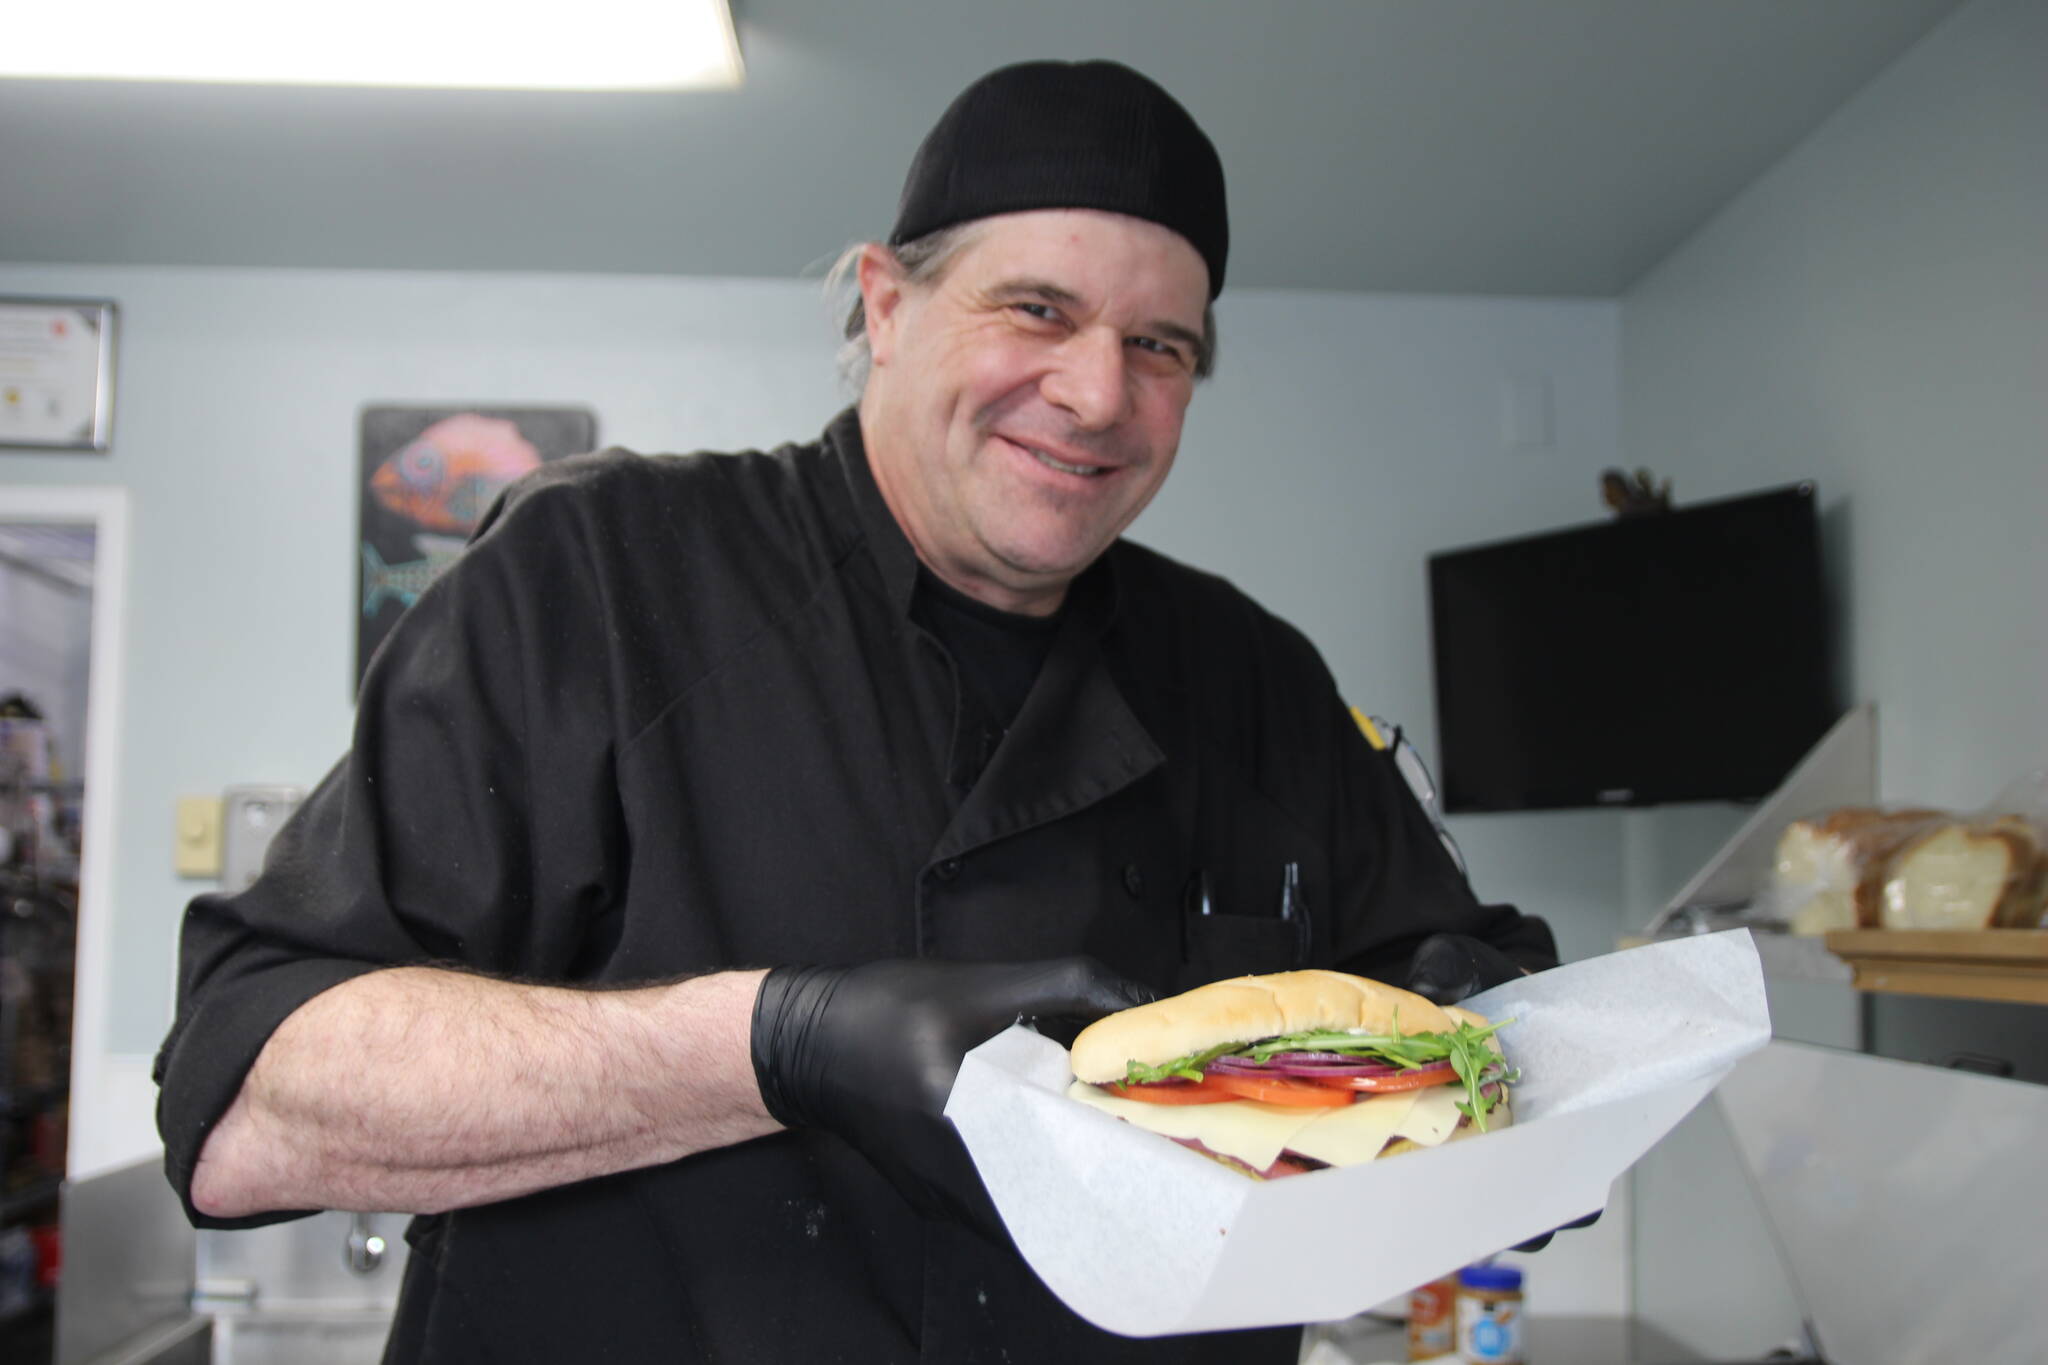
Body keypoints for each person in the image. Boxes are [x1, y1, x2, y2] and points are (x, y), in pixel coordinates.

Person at [155, 59, 1561, 1363]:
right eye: (1039, 310)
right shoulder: (600, 577)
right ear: (885, 306)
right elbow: (248, 1104)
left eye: (1161, 346)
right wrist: (772, 1044)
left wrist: (1495, 1065)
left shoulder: (1255, 677)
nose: (1095, 394)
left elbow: (1460, 987)